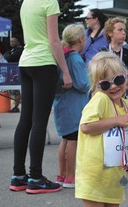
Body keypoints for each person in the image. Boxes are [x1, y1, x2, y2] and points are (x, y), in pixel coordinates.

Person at [9, 0, 72, 194]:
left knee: (25, 119)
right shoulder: (49, 2)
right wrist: (65, 71)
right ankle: (36, 177)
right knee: (39, 121)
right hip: (43, 63)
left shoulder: (27, 0)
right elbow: (54, 41)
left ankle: (18, 176)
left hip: (26, 62)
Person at [75, 51, 128, 206]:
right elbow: (86, 127)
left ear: (126, 77)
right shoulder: (100, 99)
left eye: (118, 79)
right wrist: (117, 120)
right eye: (105, 84)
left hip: (114, 172)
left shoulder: (127, 106)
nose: (113, 86)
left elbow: (125, 133)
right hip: (94, 173)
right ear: (96, 86)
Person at [53, 24, 90, 189]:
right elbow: (82, 84)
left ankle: (61, 175)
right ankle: (70, 177)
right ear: (81, 39)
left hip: (62, 104)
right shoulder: (75, 58)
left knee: (65, 140)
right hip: (74, 108)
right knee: (73, 141)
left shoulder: (62, 56)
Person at [102, 17, 128, 85]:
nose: (123, 33)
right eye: (120, 30)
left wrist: (123, 85)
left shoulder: (127, 52)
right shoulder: (103, 52)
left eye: (124, 30)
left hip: (123, 89)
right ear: (110, 33)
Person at [3, 36, 23, 113]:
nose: (11, 43)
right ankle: (15, 105)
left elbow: (9, 57)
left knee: (16, 90)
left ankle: (16, 106)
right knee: (12, 90)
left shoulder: (19, 50)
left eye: (13, 41)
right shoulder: (11, 50)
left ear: (18, 42)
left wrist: (8, 55)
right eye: (11, 41)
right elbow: (5, 56)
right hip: (12, 72)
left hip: (17, 71)